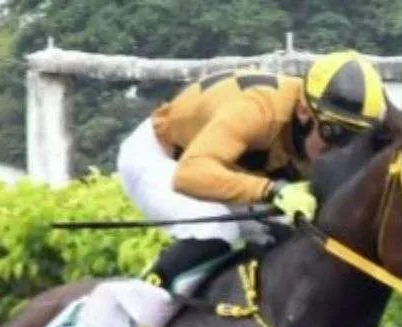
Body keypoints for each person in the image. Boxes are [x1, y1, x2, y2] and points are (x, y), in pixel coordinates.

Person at [117, 49, 387, 307]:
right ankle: (122, 318)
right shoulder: (257, 110)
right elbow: (189, 175)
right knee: (216, 230)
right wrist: (272, 191)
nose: (341, 149)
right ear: (304, 111)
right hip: (163, 159)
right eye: (334, 133)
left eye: (354, 139)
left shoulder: (313, 124)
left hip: (229, 168)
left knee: (291, 234)